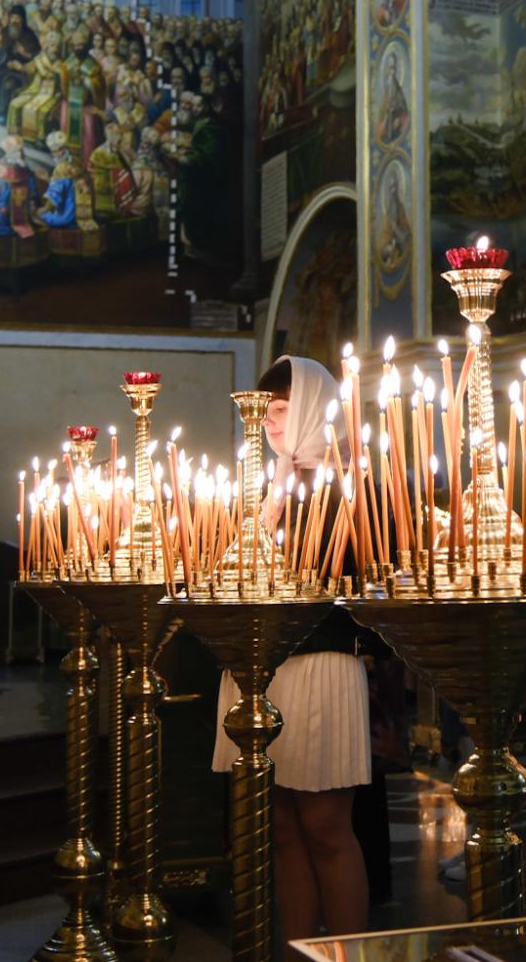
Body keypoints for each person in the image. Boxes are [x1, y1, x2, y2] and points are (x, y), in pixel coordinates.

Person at [210, 357, 370, 940]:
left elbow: (350, 578)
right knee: (278, 826)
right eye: (267, 412)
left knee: (326, 825)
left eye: (282, 410)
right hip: (259, 662)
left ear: (309, 409)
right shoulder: (264, 481)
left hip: (318, 664)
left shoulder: (344, 481)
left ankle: (349, 952)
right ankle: (300, 949)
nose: (272, 423)